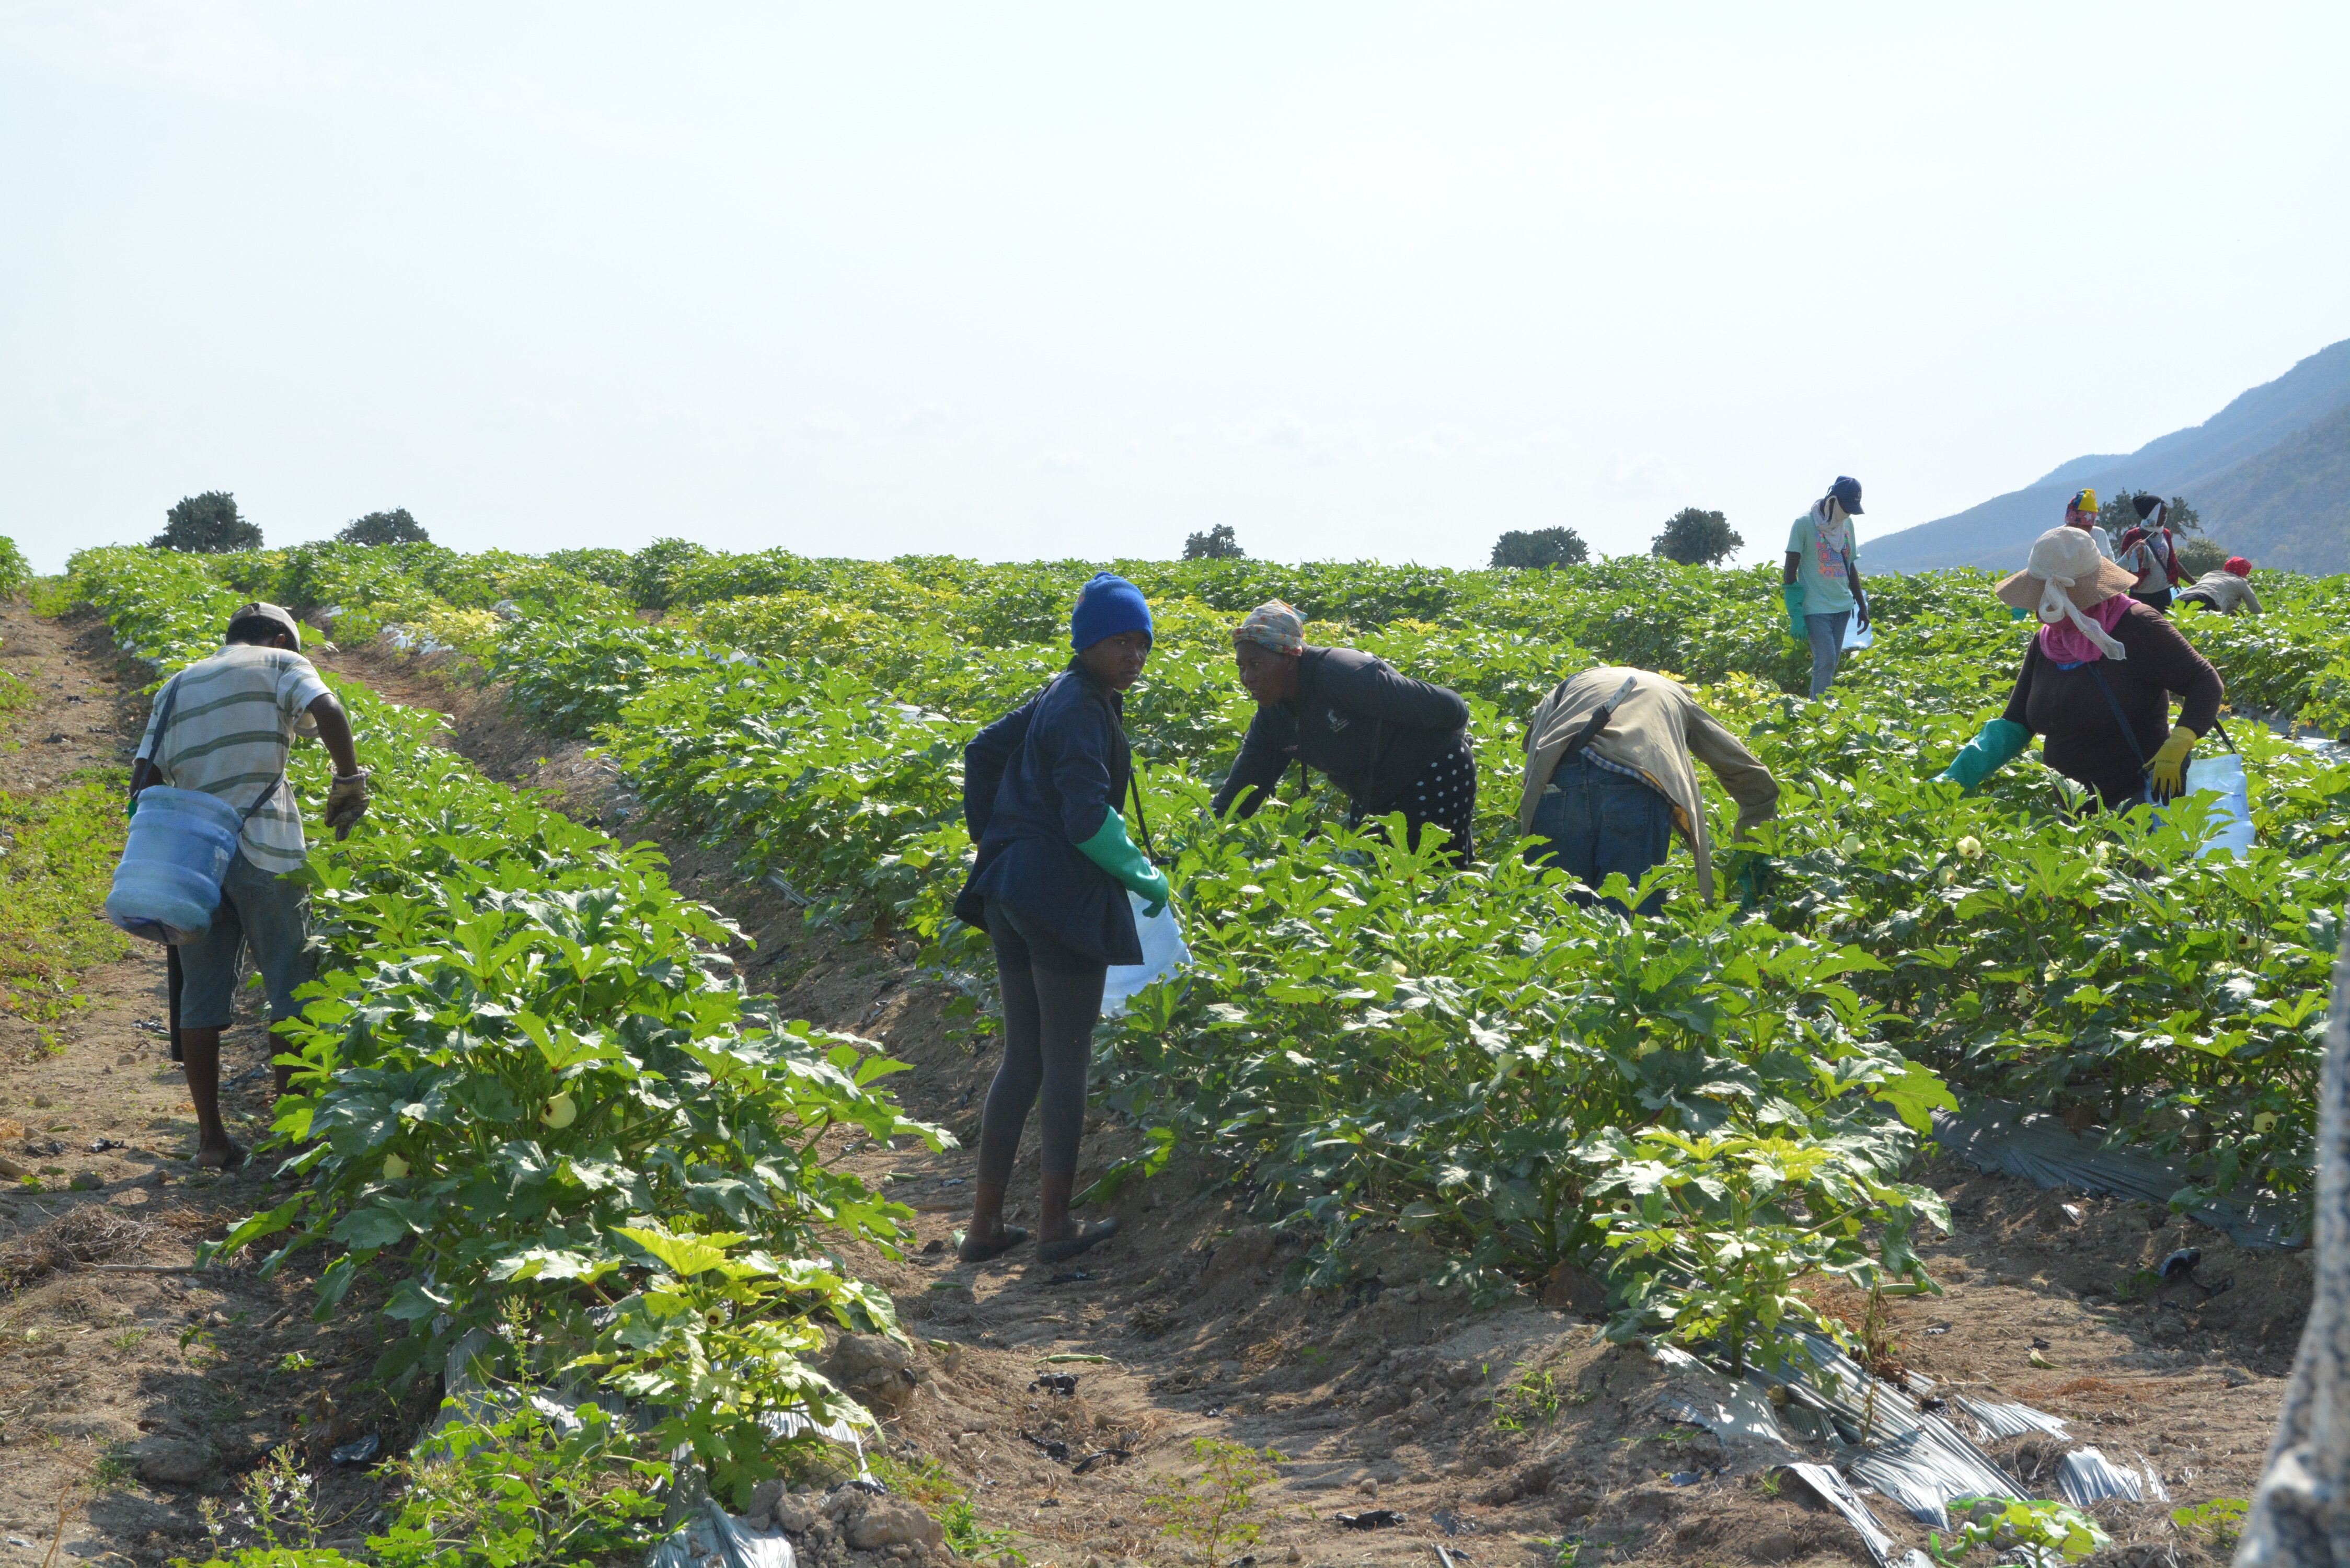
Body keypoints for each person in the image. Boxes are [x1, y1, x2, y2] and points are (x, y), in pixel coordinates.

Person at [952, 572, 1169, 1266]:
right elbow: (1085, 818)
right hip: (1057, 897)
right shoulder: (1081, 707)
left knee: (1024, 1057)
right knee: (1067, 1061)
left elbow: (983, 749)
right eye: (1118, 641)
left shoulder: (1063, 691)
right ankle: (1054, 1228)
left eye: (1141, 642)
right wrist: (1141, 873)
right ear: (1086, 643)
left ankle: (985, 1228)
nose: (1133, 655)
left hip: (1009, 890)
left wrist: (1001, 834)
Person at [128, 602, 369, 1169]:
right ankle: (292, 1136)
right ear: (280, 638)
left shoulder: (175, 686)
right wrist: (349, 781)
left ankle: (212, 1142)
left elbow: (143, 780)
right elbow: (327, 709)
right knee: (291, 987)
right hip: (268, 848)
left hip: (195, 864)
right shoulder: (280, 663)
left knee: (199, 997)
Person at [1939, 528, 2221, 810]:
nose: (2039, 610)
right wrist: (1952, 781)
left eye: (2048, 597)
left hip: (2140, 802)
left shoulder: (2137, 624)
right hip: (2074, 811)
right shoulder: (2048, 641)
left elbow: (2204, 681)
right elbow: (2017, 722)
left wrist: (2181, 740)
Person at [1212, 599, 1476, 859]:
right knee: (1374, 876)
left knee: (1433, 875)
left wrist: (1457, 741)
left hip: (1434, 773)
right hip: (1374, 794)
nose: (1247, 678)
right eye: (1241, 667)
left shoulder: (1343, 675)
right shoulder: (1273, 718)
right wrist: (1203, 836)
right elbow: (1241, 790)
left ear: (1290, 656)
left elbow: (1451, 707)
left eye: (1256, 664)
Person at [1517, 667, 1778, 915]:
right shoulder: (1671, 692)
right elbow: (1744, 768)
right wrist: (1755, 854)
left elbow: (1533, 751)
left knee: (1558, 911)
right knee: (1630, 914)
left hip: (1559, 786)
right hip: (1632, 786)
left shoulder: (1565, 689)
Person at [1781, 476, 1872, 699]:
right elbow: (1789, 573)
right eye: (1846, 507)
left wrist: (1862, 606)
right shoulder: (1804, 524)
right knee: (1827, 660)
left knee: (1830, 663)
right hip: (1816, 608)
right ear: (1833, 500)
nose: (1848, 514)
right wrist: (1796, 614)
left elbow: (1850, 566)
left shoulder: (1847, 525)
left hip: (1842, 608)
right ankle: (1823, 713)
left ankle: (1816, 709)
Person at [2114, 493, 2187, 613]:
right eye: (2161, 513)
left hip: (2163, 592)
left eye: (2166, 513)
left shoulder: (2165, 534)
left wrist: (2194, 583)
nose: (2165, 517)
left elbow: (2173, 561)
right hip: (2140, 593)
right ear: (2152, 514)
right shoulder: (2133, 536)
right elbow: (2124, 566)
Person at [2177, 555, 2264, 617]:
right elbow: (2256, 610)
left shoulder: (2210, 574)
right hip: (2206, 601)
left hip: (2180, 598)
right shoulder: (2241, 582)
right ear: (2245, 573)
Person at [2064, 488, 2117, 561]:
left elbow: (2105, 564)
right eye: (2071, 526)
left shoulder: (2098, 535)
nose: (2075, 531)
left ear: (2090, 526)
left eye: (2080, 527)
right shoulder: (2057, 537)